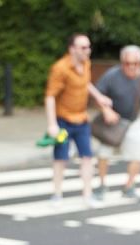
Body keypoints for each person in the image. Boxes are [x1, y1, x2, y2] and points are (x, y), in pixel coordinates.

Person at [44, 33, 112, 207]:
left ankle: (87, 195)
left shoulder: (86, 63)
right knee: (61, 158)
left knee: (87, 157)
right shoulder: (60, 68)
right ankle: (57, 194)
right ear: (72, 49)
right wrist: (52, 124)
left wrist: (99, 97)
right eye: (83, 47)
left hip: (81, 118)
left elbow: (86, 83)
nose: (87, 51)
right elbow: (50, 96)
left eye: (89, 47)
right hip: (63, 120)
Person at [93, 45, 140, 201]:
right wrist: (106, 111)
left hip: (133, 121)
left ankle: (129, 186)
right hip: (112, 121)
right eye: (127, 63)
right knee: (104, 153)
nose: (131, 67)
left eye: (135, 63)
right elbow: (97, 96)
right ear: (121, 62)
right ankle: (102, 185)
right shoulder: (111, 75)